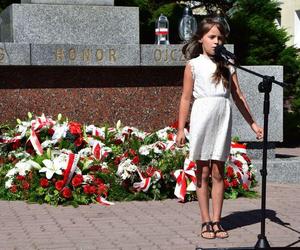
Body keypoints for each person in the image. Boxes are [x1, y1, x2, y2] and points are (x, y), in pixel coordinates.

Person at [175, 17, 263, 239]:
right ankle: (205, 221)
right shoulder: (193, 65)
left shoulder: (227, 65)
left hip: (222, 119)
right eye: (211, 37)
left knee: (218, 171)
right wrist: (180, 129)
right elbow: (185, 99)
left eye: (220, 38)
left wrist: (253, 123)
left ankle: (217, 221)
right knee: (202, 170)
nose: (216, 41)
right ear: (201, 38)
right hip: (202, 118)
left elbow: (239, 96)